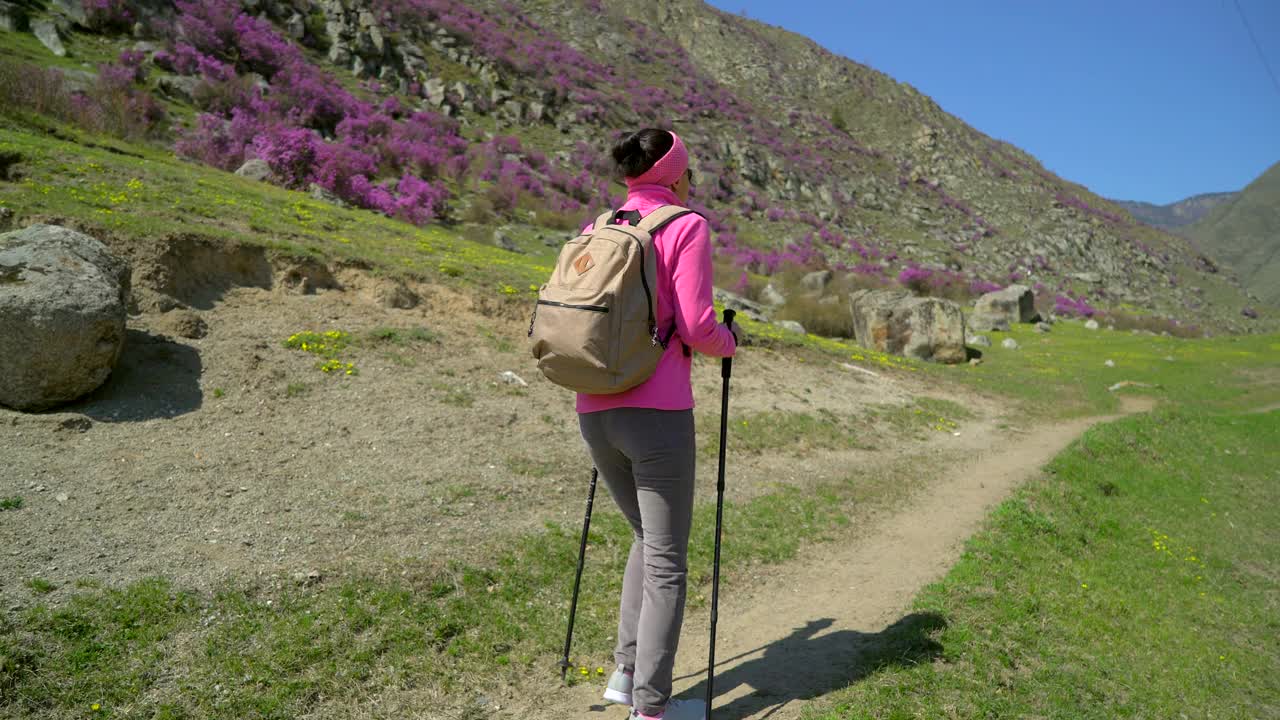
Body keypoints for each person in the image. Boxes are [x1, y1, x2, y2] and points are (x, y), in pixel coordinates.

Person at [578, 128, 740, 720]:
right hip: (659, 414)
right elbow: (697, 326)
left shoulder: (599, 226)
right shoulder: (685, 224)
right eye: (689, 172)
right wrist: (731, 342)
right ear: (674, 175)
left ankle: (625, 674)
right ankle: (651, 708)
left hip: (594, 408)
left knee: (647, 541)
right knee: (667, 562)